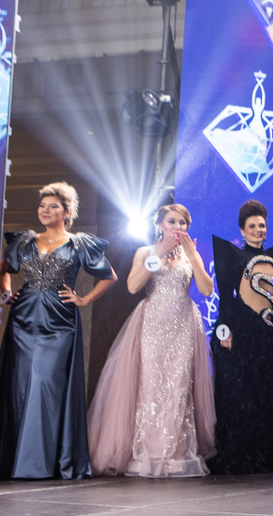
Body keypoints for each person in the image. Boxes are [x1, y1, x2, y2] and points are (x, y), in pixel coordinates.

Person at [0, 183, 116, 480]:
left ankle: (41, 461)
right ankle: (17, 459)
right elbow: (3, 270)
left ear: (67, 212)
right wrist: (6, 294)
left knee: (45, 383)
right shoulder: (25, 241)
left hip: (59, 321)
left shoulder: (79, 244)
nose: (45, 211)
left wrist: (83, 299)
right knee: (21, 385)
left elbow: (109, 276)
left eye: (53, 207)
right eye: (42, 206)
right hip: (23, 319)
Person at [89, 203, 217, 478]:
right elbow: (133, 286)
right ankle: (147, 453)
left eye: (183, 223)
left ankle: (175, 455)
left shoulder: (191, 254)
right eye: (172, 221)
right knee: (149, 386)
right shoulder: (145, 252)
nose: (178, 227)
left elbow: (207, 290)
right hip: (152, 324)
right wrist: (157, 254)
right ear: (159, 225)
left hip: (182, 325)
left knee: (178, 387)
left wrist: (194, 258)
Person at [209, 201, 273, 474]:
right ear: (242, 230)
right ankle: (236, 453)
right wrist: (225, 329)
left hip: (267, 335)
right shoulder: (234, 257)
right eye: (252, 226)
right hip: (239, 332)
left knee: (265, 393)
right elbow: (225, 298)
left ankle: (261, 453)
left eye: (261, 225)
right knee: (237, 394)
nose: (258, 230)